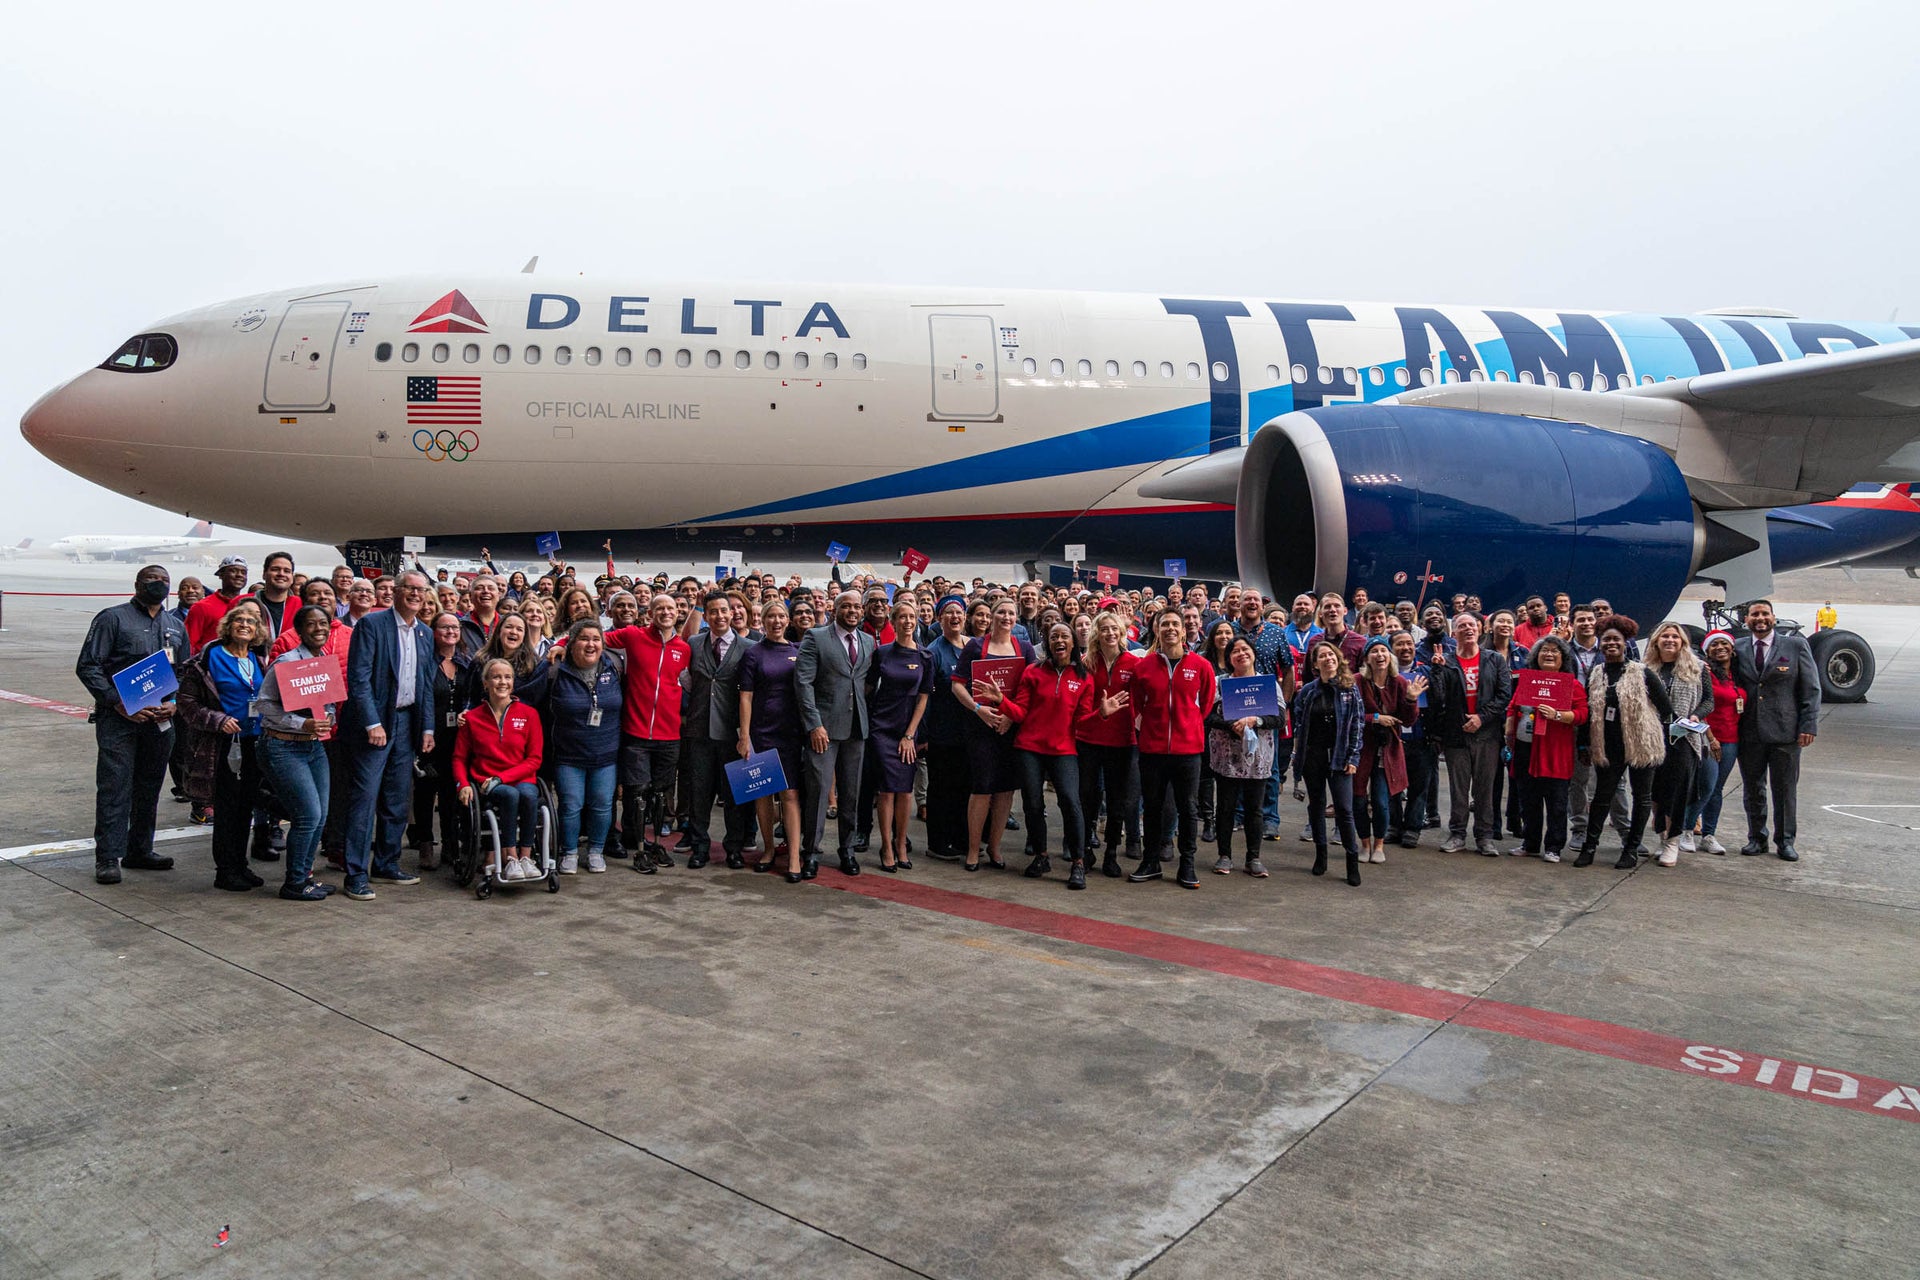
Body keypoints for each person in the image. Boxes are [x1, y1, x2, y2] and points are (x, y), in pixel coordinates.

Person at [75, 565, 190, 885]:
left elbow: (184, 671)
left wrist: (175, 703)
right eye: (152, 579)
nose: (159, 584)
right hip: (120, 720)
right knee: (115, 787)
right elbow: (88, 666)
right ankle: (108, 856)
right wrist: (116, 701)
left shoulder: (175, 625)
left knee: (149, 786)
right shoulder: (113, 618)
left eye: (165, 580)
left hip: (159, 721)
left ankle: (140, 849)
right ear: (137, 584)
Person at [337, 569, 436, 900]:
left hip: (407, 723)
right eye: (409, 588)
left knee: (396, 798)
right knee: (364, 800)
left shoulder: (424, 633)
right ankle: (355, 873)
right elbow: (359, 679)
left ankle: (386, 863)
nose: (415, 595)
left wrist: (427, 727)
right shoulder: (372, 625)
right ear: (394, 591)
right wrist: (371, 723)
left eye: (420, 591)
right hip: (375, 724)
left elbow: (425, 685)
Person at [176, 602, 269, 891]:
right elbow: (186, 704)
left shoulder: (257, 659)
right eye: (238, 620)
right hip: (223, 744)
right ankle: (225, 870)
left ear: (257, 631)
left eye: (251, 622)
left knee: (246, 807)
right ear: (227, 627)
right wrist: (218, 719)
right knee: (227, 808)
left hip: (253, 741)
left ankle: (240, 864)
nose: (244, 625)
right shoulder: (208, 659)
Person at [600, 591, 694, 871]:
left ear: (678, 613)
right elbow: (592, 638)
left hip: (669, 735)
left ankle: (654, 846)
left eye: (671, 608)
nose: (666, 612)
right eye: (659, 608)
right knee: (636, 791)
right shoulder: (633, 636)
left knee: (659, 793)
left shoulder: (684, 649)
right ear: (649, 613)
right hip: (636, 732)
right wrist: (561, 645)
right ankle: (638, 846)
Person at [1128, 607, 1217, 889]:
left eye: (1174, 624)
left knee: (1188, 808)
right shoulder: (1143, 667)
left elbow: (1206, 705)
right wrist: (1152, 732)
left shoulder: (1201, 666)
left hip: (1188, 751)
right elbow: (1136, 705)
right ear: (1156, 630)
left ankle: (1187, 864)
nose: (1169, 629)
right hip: (1152, 750)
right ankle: (1151, 861)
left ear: (1183, 630)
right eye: (1164, 624)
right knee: (1152, 807)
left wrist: (1186, 727)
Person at [255, 605, 340, 900]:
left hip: (313, 746)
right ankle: (293, 883)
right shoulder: (287, 662)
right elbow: (263, 705)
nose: (319, 628)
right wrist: (301, 723)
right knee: (307, 815)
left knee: (320, 816)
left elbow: (327, 703)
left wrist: (327, 718)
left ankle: (306, 877)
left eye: (324, 623)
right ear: (300, 630)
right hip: (283, 745)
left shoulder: (323, 662)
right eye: (312, 624)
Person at [998, 622, 1091, 887]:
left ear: (1073, 643)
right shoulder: (1033, 672)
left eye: (1064, 636)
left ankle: (1078, 863)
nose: (1059, 640)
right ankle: (1041, 855)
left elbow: (1083, 722)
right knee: (1033, 805)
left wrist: (1102, 713)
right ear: (1047, 643)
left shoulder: (1084, 677)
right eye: (1053, 637)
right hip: (1030, 748)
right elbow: (1020, 712)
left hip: (1064, 750)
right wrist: (1000, 700)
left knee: (1071, 803)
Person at [1574, 624, 1671, 869]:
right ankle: (1589, 846)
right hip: (1608, 745)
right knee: (1601, 797)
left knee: (1642, 797)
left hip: (1641, 744)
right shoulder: (1596, 673)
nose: (1610, 644)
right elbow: (1589, 710)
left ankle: (1631, 848)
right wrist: (1583, 745)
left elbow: (1665, 706)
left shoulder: (1642, 671)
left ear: (1625, 643)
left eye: (1615, 639)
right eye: (1606, 640)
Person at [795, 590, 877, 876]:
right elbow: (803, 684)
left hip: (857, 730)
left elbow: (866, 682)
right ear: (835, 608)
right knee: (818, 792)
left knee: (851, 793)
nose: (852, 611)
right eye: (847, 606)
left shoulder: (868, 641)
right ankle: (812, 852)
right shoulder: (815, 638)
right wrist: (814, 725)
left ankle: (847, 849)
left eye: (857, 607)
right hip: (824, 730)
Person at [530, 619, 622, 874]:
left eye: (596, 639)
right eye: (584, 639)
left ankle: (596, 850)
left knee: (602, 804)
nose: (591, 644)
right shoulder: (554, 670)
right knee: (571, 805)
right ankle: (568, 851)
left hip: (606, 753)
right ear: (570, 644)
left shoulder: (615, 667)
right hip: (568, 754)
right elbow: (529, 701)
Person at [952, 598, 1036, 871]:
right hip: (981, 727)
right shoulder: (975, 646)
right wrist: (979, 710)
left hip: (1011, 728)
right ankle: (974, 849)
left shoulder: (1024, 648)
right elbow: (957, 686)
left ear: (1016, 618)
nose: (1006, 617)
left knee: (1005, 791)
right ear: (992, 616)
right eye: (1001, 612)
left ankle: (995, 848)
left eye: (1011, 613)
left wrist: (1011, 717)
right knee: (982, 788)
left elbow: (1033, 688)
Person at [1733, 600, 1820, 861]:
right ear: (1747, 620)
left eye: (1764, 614)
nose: (1760, 619)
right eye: (1754, 615)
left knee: (1784, 790)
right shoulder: (1738, 647)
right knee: (1753, 788)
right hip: (1750, 732)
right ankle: (1756, 838)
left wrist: (1808, 724)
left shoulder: (1795, 645)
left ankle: (1785, 841)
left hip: (1786, 731)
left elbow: (1811, 688)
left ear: (1773, 617)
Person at [1428, 613, 1514, 855]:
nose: (1467, 629)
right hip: (1456, 736)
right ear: (1453, 634)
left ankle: (1485, 837)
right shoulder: (1445, 661)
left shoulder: (1494, 660)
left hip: (1487, 735)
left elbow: (1504, 696)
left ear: (1479, 629)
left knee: (1484, 789)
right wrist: (1436, 671)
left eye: (1471, 625)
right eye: (1461, 626)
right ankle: (1457, 833)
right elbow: (1438, 698)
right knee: (1458, 788)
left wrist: (1481, 718)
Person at [680, 591, 754, 869]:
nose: (720, 616)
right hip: (699, 732)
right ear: (707, 615)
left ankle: (733, 848)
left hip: (732, 733)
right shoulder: (695, 643)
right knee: (699, 793)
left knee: (735, 794)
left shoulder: (748, 646)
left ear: (733, 613)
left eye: (725, 611)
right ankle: (699, 847)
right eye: (713, 612)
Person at [456, 658, 547, 881]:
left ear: (513, 684)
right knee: (509, 794)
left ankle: (526, 856)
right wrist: (464, 784)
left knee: (527, 794)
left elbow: (534, 759)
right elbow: (459, 758)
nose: (502, 682)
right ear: (485, 683)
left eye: (507, 677)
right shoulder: (472, 718)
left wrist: (502, 777)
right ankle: (511, 858)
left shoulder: (529, 714)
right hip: (487, 781)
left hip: (522, 777)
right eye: (496, 677)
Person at [737, 598, 806, 881]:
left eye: (781, 616)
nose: (776, 621)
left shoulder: (798, 651)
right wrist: (744, 736)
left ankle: (793, 856)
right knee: (763, 794)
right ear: (762, 621)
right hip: (762, 733)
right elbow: (746, 696)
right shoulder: (753, 654)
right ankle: (768, 849)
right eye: (770, 617)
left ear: (788, 621)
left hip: (791, 733)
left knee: (790, 794)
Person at [1205, 636, 1283, 877]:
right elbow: (1207, 715)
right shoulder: (1219, 683)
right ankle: (1224, 855)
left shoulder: (1267, 684)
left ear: (1254, 653)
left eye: (1245, 649)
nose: (1241, 654)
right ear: (1229, 658)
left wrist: (1256, 720)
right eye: (1235, 651)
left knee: (1254, 809)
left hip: (1258, 757)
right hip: (1227, 756)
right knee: (1226, 807)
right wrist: (1232, 725)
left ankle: (1254, 857)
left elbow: (1280, 718)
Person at [1289, 641, 1365, 886]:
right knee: (1317, 805)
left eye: (1330, 654)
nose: (1327, 658)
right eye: (1322, 656)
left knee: (1344, 808)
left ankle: (1351, 860)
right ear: (1315, 663)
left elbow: (1357, 725)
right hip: (1314, 756)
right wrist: (1297, 756)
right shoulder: (1308, 691)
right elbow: (1299, 726)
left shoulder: (1349, 689)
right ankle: (1320, 855)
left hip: (1340, 756)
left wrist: (1353, 757)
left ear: (1338, 659)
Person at [1505, 635, 1587, 862]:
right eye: (1544, 651)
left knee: (1556, 803)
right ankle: (1530, 843)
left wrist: (1559, 715)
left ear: (1563, 657)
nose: (1549, 654)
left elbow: (1582, 714)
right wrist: (1509, 728)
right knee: (1528, 800)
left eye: (1554, 651)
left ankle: (1553, 846)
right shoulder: (1527, 680)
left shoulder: (1571, 685)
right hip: (1524, 749)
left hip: (1554, 752)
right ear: (1535, 656)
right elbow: (1513, 706)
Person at [866, 598, 933, 872]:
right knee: (886, 791)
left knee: (905, 791)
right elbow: (868, 689)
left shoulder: (925, 656)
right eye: (901, 617)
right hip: (881, 728)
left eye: (911, 617)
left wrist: (910, 734)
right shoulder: (881, 653)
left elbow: (923, 698)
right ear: (893, 622)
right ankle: (885, 845)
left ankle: (901, 842)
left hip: (908, 730)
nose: (907, 621)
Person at [1643, 622, 1714, 866]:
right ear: (1656, 641)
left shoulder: (1698, 668)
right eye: (1665, 636)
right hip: (1652, 737)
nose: (1670, 640)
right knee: (1655, 791)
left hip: (1684, 739)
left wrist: (1696, 715)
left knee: (1677, 792)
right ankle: (1662, 837)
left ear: (1683, 641)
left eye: (1675, 636)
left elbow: (1708, 701)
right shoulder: (1646, 668)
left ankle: (1673, 841)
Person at [1077, 610, 1141, 878]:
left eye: (1114, 628)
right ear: (1096, 633)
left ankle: (1111, 852)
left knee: (1118, 801)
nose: (1110, 633)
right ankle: (1085, 847)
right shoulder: (1086, 663)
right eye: (1104, 628)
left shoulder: (1134, 663)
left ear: (1122, 631)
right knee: (1088, 797)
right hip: (1089, 739)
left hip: (1122, 742)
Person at [408, 611, 469, 871]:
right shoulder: (425, 663)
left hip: (458, 737)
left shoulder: (466, 663)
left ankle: (450, 844)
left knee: (450, 793)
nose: (450, 632)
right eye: (444, 627)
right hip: (430, 735)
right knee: (425, 791)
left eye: (454, 627)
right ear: (434, 631)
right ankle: (425, 842)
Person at [1352, 637, 1420, 865]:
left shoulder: (1400, 682)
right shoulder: (1356, 682)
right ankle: (1364, 843)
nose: (1380, 655)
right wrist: (1376, 718)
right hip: (1361, 750)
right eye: (1375, 652)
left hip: (1387, 751)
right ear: (1367, 658)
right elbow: (1351, 716)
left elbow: (1408, 721)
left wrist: (1411, 700)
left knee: (1382, 801)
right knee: (1358, 799)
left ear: (1389, 656)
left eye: (1383, 651)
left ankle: (1379, 844)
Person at [920, 595, 973, 862]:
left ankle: (962, 839)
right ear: (939, 618)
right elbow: (924, 697)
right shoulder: (933, 652)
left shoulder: (972, 647)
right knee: (941, 789)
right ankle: (938, 842)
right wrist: (924, 734)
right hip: (942, 733)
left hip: (969, 732)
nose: (955, 617)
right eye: (949, 613)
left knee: (964, 788)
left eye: (959, 612)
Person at [1685, 631, 1743, 855]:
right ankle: (1687, 829)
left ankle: (1709, 835)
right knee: (1706, 787)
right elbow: (1699, 706)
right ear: (1707, 650)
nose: (1720, 647)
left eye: (1724, 643)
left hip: (1732, 740)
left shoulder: (1738, 674)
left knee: (1717, 789)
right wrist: (1710, 737)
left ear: (1732, 648)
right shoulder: (1705, 673)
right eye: (1714, 644)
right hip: (1708, 739)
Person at [1388, 630, 1433, 848]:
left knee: (1419, 785)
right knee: (1392, 784)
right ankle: (1394, 825)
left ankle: (1412, 828)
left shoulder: (1426, 670)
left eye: (1409, 643)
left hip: (1421, 736)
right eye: (1400, 644)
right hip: (1393, 736)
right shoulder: (1386, 674)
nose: (1406, 648)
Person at [185, 555, 249, 653]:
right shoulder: (202, 607)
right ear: (221, 574)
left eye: (243, 572)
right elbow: (188, 644)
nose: (239, 575)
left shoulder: (249, 607)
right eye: (233, 571)